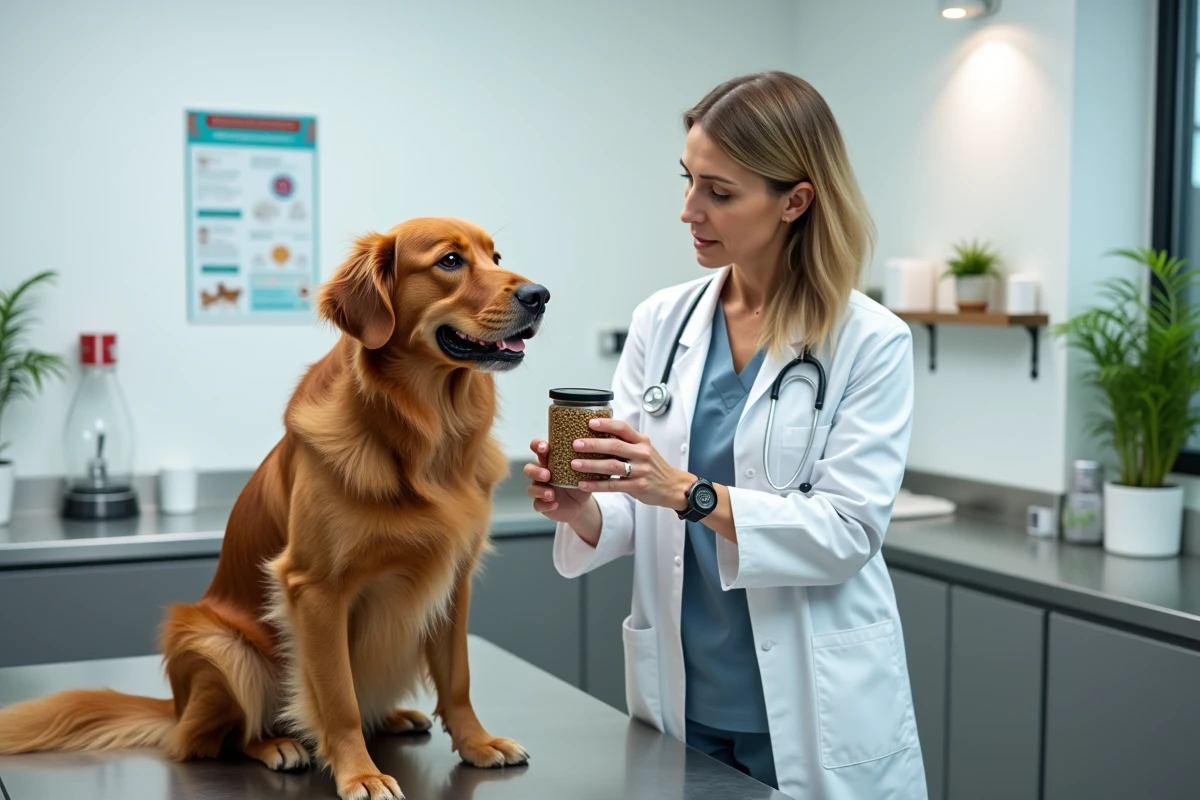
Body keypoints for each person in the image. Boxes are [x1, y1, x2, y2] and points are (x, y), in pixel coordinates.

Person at [524, 71, 928, 799]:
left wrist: (690, 493)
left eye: (719, 192)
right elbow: (636, 501)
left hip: (811, 705)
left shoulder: (871, 341)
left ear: (795, 201)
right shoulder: (663, 320)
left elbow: (848, 531)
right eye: (688, 180)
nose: (689, 210)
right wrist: (584, 509)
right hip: (685, 698)